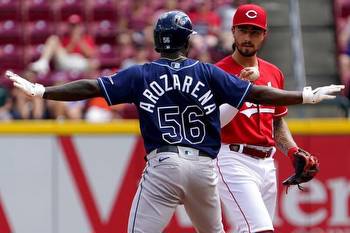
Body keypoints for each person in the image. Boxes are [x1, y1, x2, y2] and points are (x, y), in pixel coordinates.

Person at [5, 10, 343, 233]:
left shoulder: (142, 74)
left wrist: (43, 90)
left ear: (156, 40)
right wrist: (304, 96)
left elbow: (91, 86)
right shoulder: (208, 72)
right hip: (204, 167)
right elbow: (260, 96)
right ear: (188, 40)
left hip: (164, 164)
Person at [214, 4, 324, 233]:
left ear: (264, 35)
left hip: (267, 164)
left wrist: (293, 150)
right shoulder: (216, 72)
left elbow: (277, 121)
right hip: (232, 158)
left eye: (254, 32)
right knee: (261, 229)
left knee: (248, 230)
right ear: (233, 31)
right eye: (243, 30)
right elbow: (210, 121)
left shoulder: (274, 73)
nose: (247, 37)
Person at [30, 14, 99, 75]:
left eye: (76, 26)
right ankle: (43, 63)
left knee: (95, 63)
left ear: (80, 27)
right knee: (53, 39)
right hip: (66, 61)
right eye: (72, 26)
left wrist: (79, 40)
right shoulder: (65, 38)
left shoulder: (87, 38)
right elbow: (65, 54)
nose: (74, 28)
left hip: (80, 62)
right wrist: (73, 42)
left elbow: (90, 54)